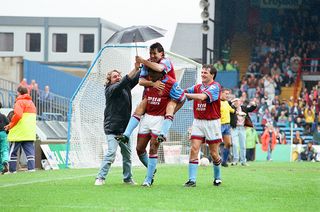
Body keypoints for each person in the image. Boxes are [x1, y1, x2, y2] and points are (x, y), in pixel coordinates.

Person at [116, 42, 183, 143]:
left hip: (168, 92)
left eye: (154, 53)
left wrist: (142, 60)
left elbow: (159, 68)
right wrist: (153, 83)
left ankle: (163, 133)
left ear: (162, 54)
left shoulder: (166, 61)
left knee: (153, 146)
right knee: (140, 148)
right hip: (152, 93)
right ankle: (126, 135)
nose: (152, 56)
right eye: (150, 53)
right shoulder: (147, 63)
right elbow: (141, 81)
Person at [94, 63, 141, 186]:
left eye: (119, 75)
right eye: (115, 76)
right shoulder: (110, 89)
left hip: (124, 130)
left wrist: (144, 65)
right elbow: (124, 81)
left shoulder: (125, 87)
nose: (118, 77)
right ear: (109, 80)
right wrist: (135, 68)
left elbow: (136, 78)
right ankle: (100, 177)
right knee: (111, 153)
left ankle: (127, 178)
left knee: (127, 155)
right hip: (112, 128)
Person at [138, 69, 185, 187]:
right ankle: (152, 169)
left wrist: (172, 111)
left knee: (153, 148)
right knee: (139, 149)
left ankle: (148, 179)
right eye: (150, 73)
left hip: (159, 120)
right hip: (147, 118)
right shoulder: (147, 82)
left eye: (153, 73)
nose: (151, 75)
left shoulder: (169, 83)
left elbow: (182, 98)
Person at [183, 64, 223, 187]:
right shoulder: (197, 87)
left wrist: (186, 95)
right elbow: (183, 92)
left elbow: (202, 97)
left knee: (214, 154)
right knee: (194, 149)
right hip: (198, 122)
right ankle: (192, 180)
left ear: (212, 75)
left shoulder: (216, 87)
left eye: (205, 73)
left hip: (212, 123)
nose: (202, 74)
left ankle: (217, 177)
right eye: (202, 72)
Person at [4, 86, 37, 172]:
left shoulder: (19, 102)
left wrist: (10, 125)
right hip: (29, 132)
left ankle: (12, 171)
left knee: (13, 152)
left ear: (19, 92)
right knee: (30, 152)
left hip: (19, 132)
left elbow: (18, 115)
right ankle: (31, 169)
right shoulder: (32, 103)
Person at [230, 98, 257, 166]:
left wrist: (254, 104)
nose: (236, 103)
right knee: (235, 144)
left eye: (237, 101)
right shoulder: (231, 108)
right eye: (235, 101)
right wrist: (232, 100)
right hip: (234, 128)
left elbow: (251, 109)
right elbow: (228, 104)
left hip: (242, 128)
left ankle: (243, 161)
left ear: (240, 102)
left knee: (243, 145)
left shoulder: (244, 108)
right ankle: (235, 160)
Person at [220, 88, 235, 167]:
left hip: (227, 126)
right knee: (216, 144)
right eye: (226, 93)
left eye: (228, 94)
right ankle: (215, 159)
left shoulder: (226, 103)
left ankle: (224, 161)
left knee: (228, 144)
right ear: (221, 94)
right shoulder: (217, 103)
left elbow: (232, 110)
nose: (227, 95)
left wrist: (237, 109)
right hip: (219, 125)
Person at [0, 102, 9, 174]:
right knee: (4, 149)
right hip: (3, 134)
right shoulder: (3, 116)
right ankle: (5, 161)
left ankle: (1, 168)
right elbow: (8, 125)